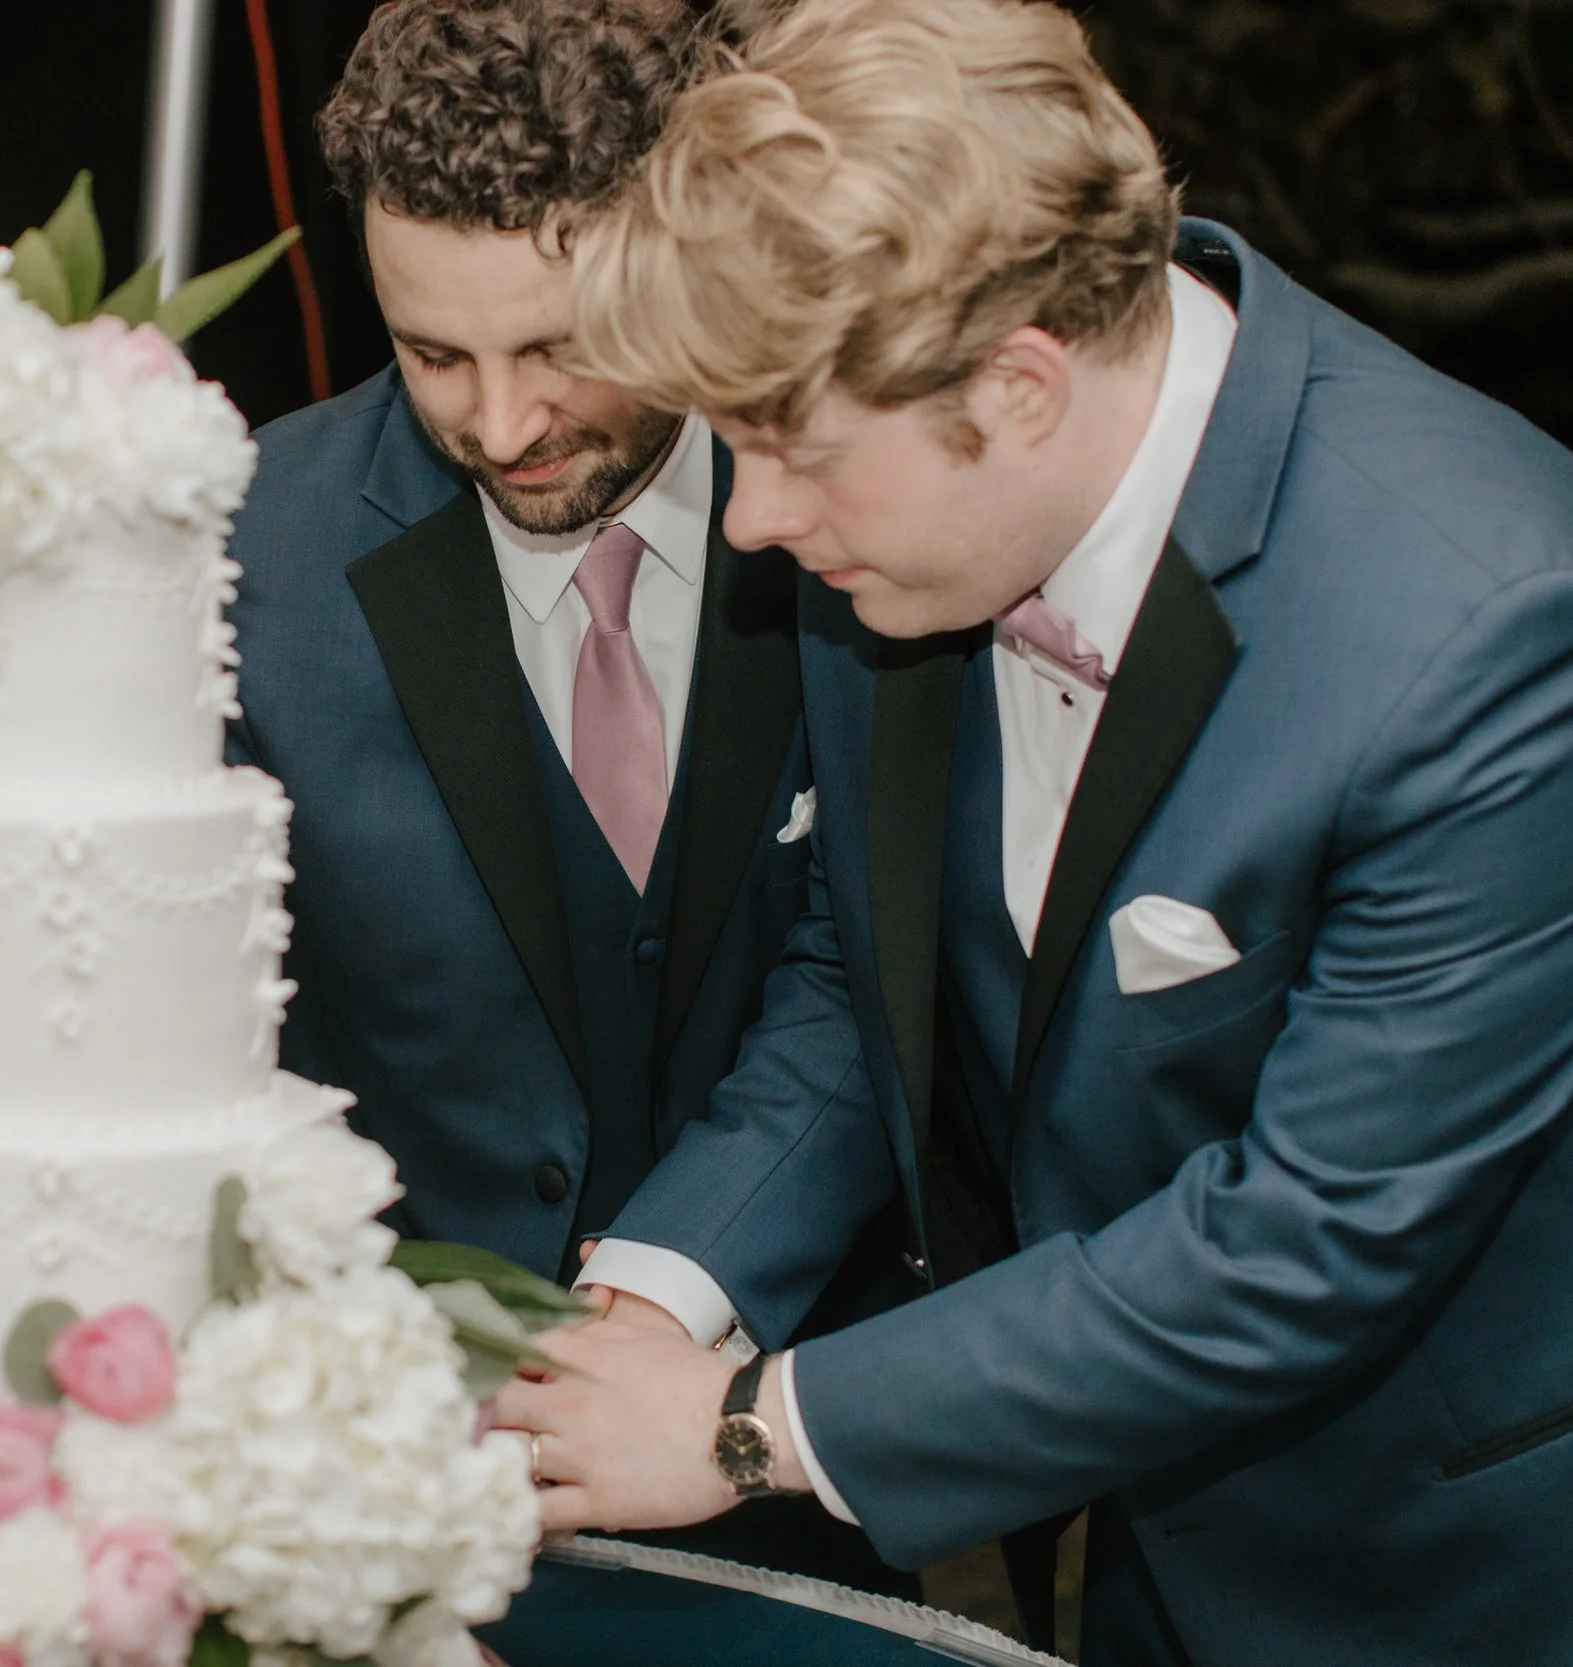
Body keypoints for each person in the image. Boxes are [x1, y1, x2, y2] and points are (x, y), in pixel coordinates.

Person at [494, 1, 1573, 1662]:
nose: (755, 522)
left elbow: (1312, 1236)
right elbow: (865, 980)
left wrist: (743, 1426)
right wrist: (652, 1301)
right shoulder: (902, 531)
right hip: (1143, 1553)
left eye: (789, 451)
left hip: (1458, 1569)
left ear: (1020, 384)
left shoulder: (1496, 623)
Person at [225, 0, 908, 1587]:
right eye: (432, 353)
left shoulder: (869, 505)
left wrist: (669, 1301)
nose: (503, 423)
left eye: (564, 345)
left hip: (770, 1447)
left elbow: (890, 957)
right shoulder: (241, 552)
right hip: (359, 1485)